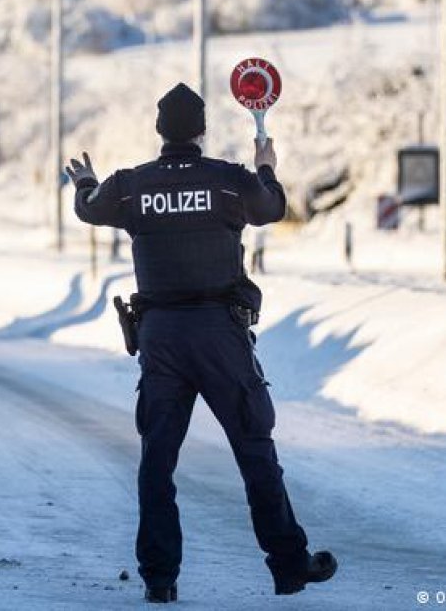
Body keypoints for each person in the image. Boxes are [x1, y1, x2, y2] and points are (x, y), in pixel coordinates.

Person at [66, 83, 336, 604]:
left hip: (161, 339)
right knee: (255, 450)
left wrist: (84, 183)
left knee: (157, 462)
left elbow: (90, 209)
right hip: (220, 335)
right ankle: (288, 566)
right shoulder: (229, 182)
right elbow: (273, 207)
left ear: (159, 130)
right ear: (203, 130)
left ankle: (159, 579)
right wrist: (264, 165)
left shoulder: (132, 187)